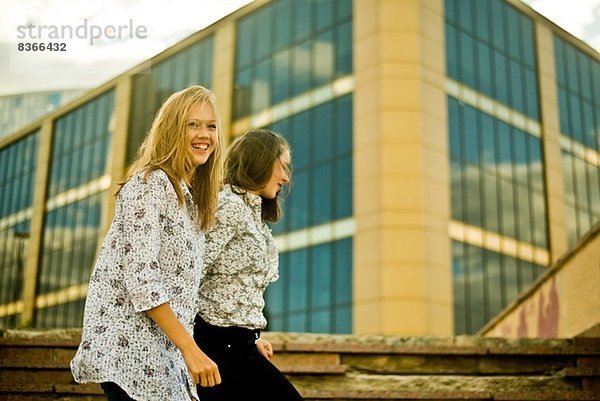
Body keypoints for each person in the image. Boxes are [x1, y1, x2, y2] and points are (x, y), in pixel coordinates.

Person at [71, 85, 223, 401]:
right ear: (172, 130)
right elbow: (142, 281)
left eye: (211, 125)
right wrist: (190, 348)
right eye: (192, 124)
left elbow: (186, 290)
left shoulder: (191, 201)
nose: (204, 134)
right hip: (130, 350)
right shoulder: (149, 185)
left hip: (165, 353)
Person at [194, 129, 303, 400]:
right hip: (217, 348)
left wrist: (252, 338)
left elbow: (234, 290)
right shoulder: (229, 208)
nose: (286, 177)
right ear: (261, 161)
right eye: (283, 165)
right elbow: (190, 276)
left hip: (238, 346)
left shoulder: (252, 215)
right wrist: (192, 348)